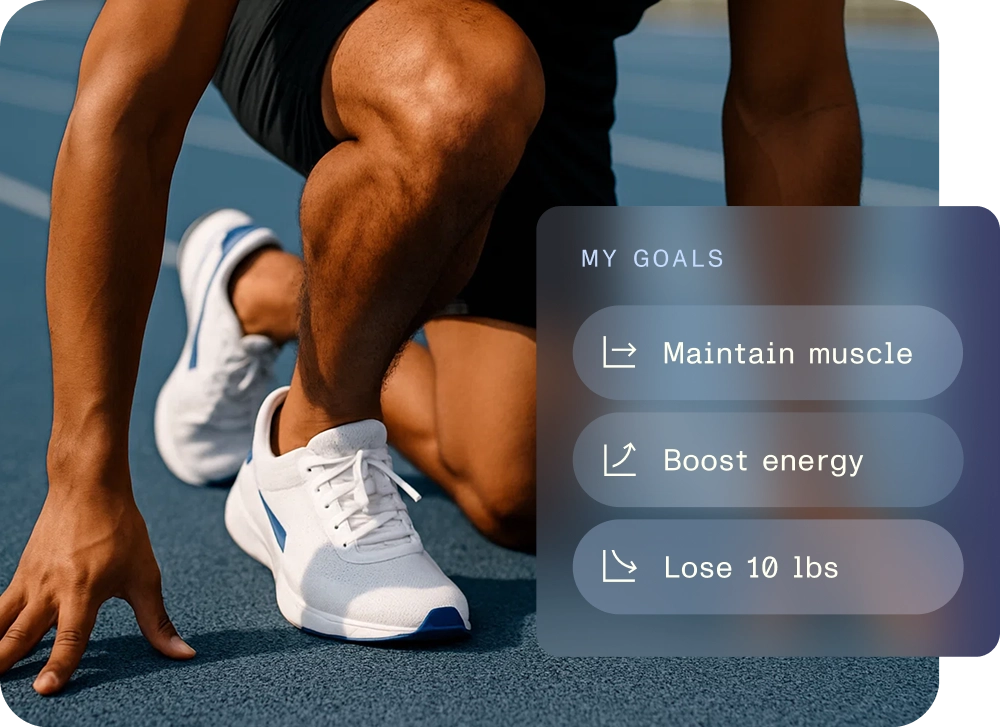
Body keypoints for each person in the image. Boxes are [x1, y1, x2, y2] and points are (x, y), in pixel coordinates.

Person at [0, 0, 862, 697]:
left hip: (543, 44)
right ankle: (308, 444)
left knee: (527, 487)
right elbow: (133, 104)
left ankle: (258, 289)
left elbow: (795, 103)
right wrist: (84, 479)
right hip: (332, 22)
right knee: (463, 84)